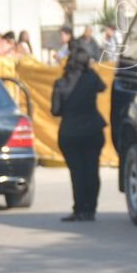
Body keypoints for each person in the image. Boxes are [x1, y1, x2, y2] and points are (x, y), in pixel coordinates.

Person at [52, 39, 107, 222]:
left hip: (70, 132)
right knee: (92, 170)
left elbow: (55, 110)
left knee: (77, 173)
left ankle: (79, 209)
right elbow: (103, 87)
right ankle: (90, 209)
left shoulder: (61, 83)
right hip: (92, 130)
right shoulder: (91, 78)